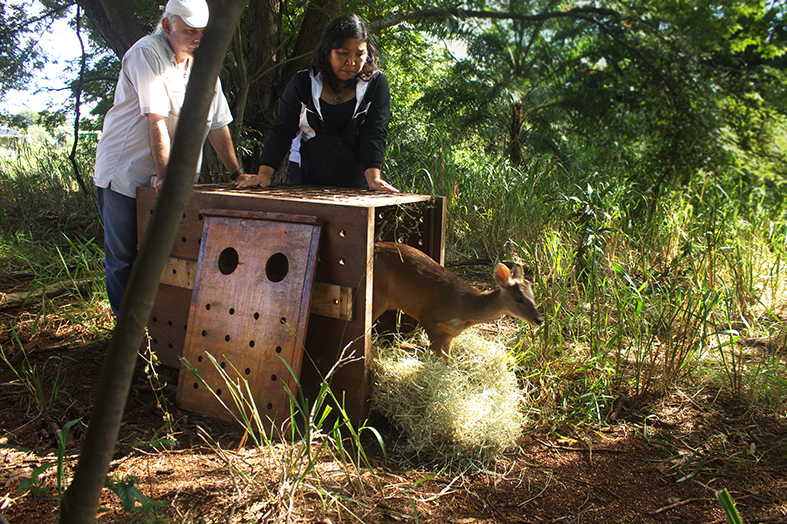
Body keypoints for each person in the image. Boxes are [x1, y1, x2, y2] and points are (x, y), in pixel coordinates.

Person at [94, 0, 250, 316]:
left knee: (176, 254)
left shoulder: (204, 67)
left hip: (177, 178)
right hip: (126, 173)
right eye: (190, 31)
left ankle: (165, 330)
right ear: (167, 26)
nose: (198, 39)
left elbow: (218, 125)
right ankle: (130, 334)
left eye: (202, 32)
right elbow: (156, 119)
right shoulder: (145, 54)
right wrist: (165, 175)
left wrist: (237, 173)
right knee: (124, 256)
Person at [237, 13, 398, 192]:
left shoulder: (375, 84)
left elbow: (374, 134)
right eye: (343, 53)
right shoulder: (303, 82)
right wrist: (264, 174)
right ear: (327, 51)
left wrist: (374, 179)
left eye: (359, 54)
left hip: (356, 182)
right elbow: (282, 130)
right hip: (305, 179)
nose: (351, 62)